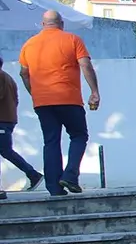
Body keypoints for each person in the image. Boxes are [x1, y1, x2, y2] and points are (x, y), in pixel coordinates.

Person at [17, 10, 99, 195]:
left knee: (51, 141)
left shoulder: (29, 44)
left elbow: (23, 73)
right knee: (78, 135)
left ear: (42, 24)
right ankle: (69, 176)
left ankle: (54, 188)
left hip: (42, 102)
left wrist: (35, 93)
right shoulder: (72, 39)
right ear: (61, 23)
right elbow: (85, 65)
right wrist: (94, 91)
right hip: (68, 98)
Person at [0, 54, 43, 197]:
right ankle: (33, 174)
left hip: (2, 120)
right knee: (6, 151)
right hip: (7, 119)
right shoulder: (7, 77)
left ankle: (33, 174)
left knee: (6, 151)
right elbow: (15, 100)